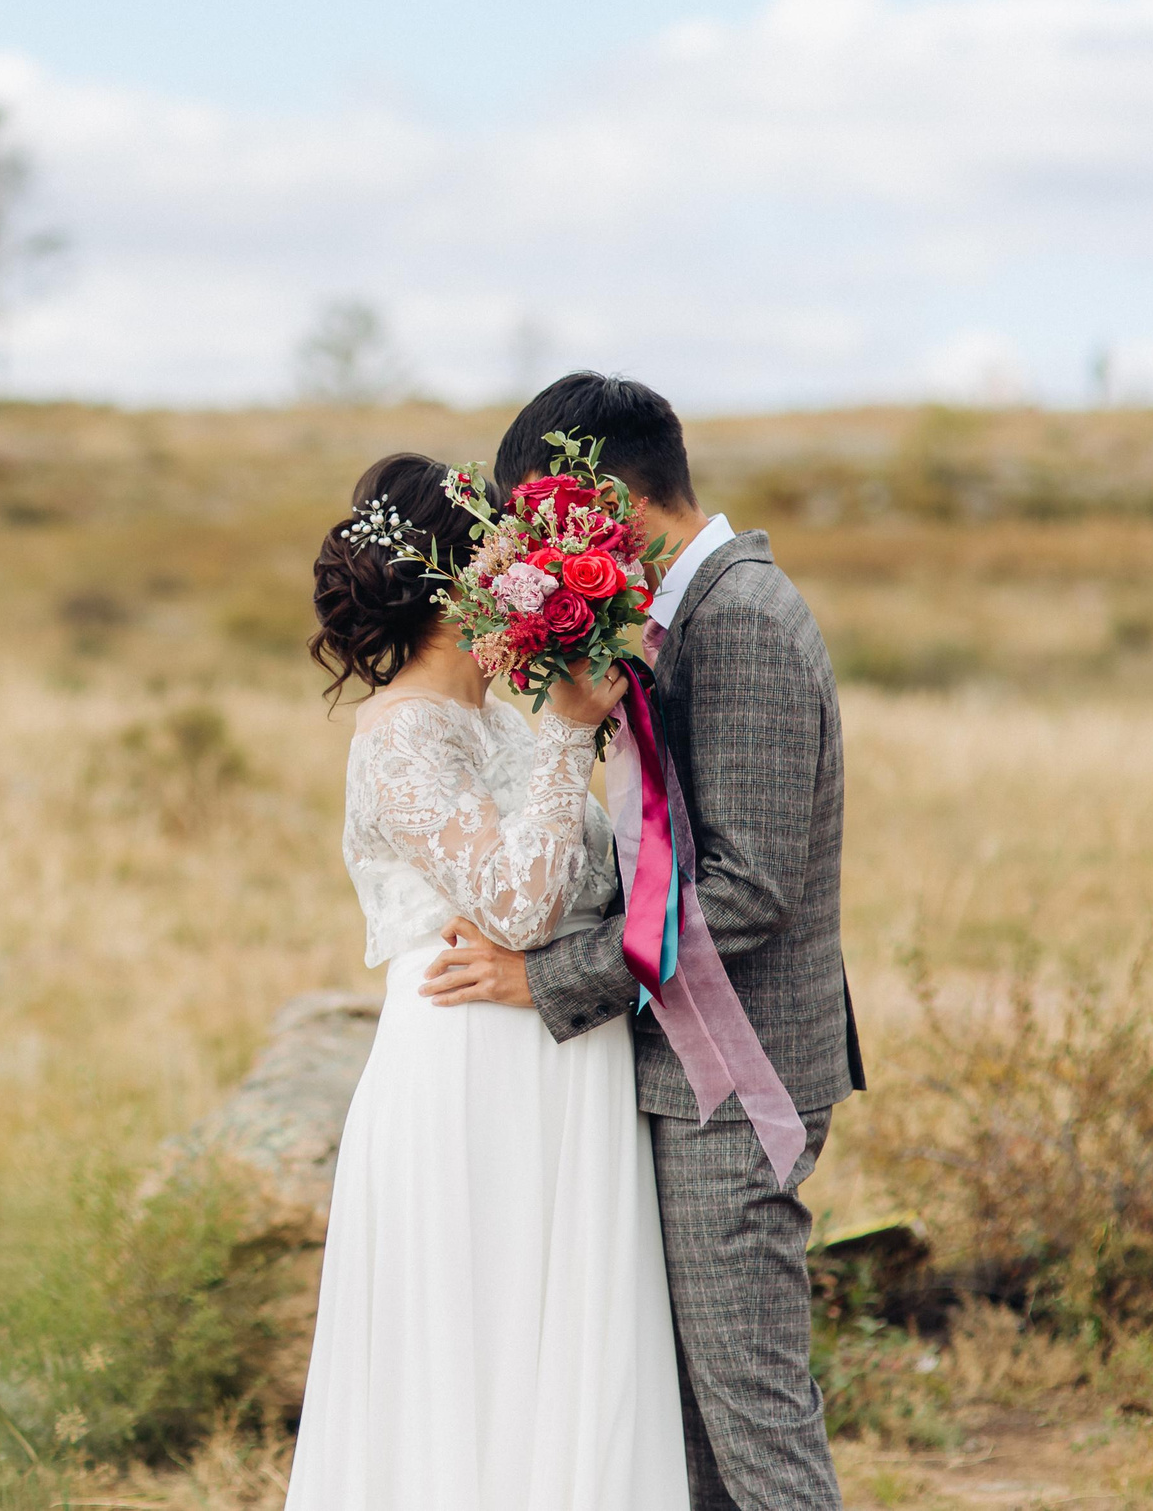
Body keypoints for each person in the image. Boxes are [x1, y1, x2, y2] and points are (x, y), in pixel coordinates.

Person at [423, 372, 864, 1511]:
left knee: (755, 1430)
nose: (530, 544)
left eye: (539, 518)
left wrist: (546, 978)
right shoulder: (670, 620)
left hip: (734, 1076)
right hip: (678, 1072)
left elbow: (751, 888)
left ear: (595, 502)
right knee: (690, 1441)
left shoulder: (743, 622)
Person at [283, 452, 689, 1511]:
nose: (529, 560)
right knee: (476, 1359)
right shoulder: (401, 735)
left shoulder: (509, 717)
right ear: (464, 574)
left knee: (568, 1360)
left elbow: (587, 885)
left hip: (565, 1054)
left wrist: (564, 725)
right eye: (507, 543)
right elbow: (514, 905)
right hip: (471, 1065)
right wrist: (566, 730)